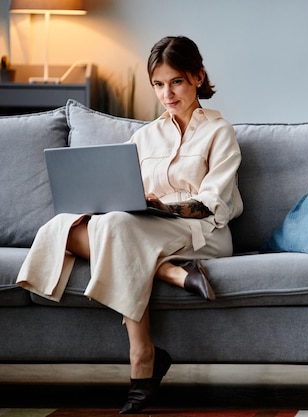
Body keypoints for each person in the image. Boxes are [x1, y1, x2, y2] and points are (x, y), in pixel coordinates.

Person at [16, 36, 243, 413]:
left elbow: (210, 205)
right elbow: (122, 192)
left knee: (117, 229)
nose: (166, 93)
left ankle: (142, 360)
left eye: (176, 82)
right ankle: (170, 272)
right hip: (143, 228)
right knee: (64, 226)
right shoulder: (144, 136)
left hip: (201, 233)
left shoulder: (220, 132)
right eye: (158, 84)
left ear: (198, 77)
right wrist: (122, 202)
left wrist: (163, 205)